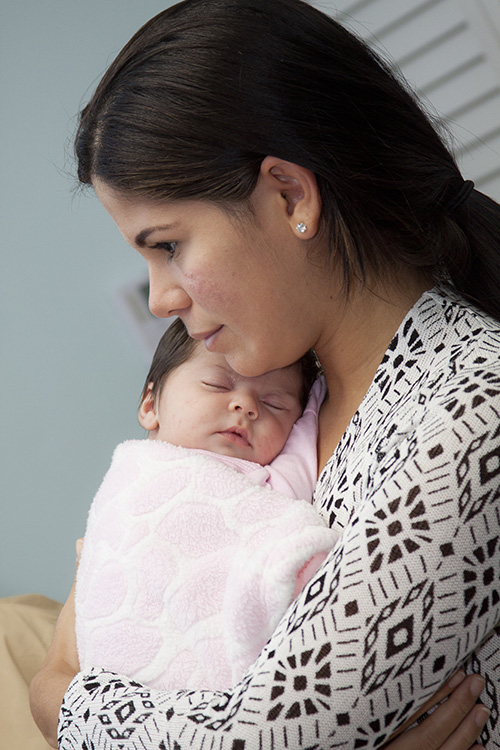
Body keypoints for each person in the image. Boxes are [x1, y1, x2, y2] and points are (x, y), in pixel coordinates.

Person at [30, 0, 500, 748]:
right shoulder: (285, 410)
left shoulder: (473, 404)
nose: (160, 298)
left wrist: (56, 693)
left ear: (289, 196)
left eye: (168, 246)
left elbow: (258, 738)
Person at [75, 317, 338, 690]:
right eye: (217, 384)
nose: (246, 406)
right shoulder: (138, 479)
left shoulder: (255, 483)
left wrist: (314, 405)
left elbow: (295, 475)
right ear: (150, 405)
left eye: (274, 403)